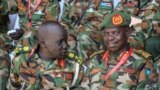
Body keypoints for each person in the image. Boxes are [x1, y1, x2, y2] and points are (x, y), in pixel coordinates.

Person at [7, 21, 87, 90]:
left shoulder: (74, 66)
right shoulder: (21, 59)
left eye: (66, 41)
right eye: (60, 42)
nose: (65, 45)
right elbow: (13, 86)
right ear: (43, 43)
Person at [98, 11, 157, 89]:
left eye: (115, 33)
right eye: (106, 33)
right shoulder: (96, 59)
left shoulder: (141, 64)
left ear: (128, 32)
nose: (110, 38)